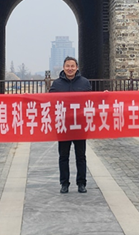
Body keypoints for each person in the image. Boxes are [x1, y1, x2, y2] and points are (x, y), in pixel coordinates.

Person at [49, 56, 92, 194]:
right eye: (67, 66)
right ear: (63, 67)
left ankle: (81, 183)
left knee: (81, 156)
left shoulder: (84, 83)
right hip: (63, 125)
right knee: (63, 156)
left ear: (77, 67)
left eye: (72, 66)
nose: (70, 68)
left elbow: (92, 101)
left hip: (80, 125)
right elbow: (49, 102)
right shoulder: (56, 84)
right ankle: (64, 183)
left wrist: (105, 96)